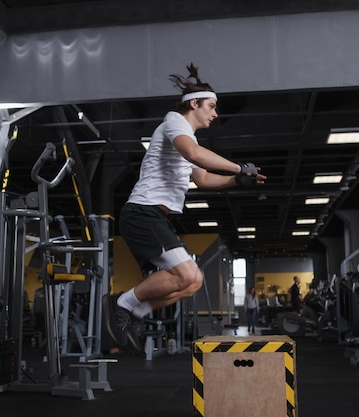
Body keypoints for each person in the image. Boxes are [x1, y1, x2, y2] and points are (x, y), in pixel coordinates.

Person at [103, 63, 266, 351]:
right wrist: (240, 167)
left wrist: (235, 181)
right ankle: (121, 304)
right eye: (211, 106)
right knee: (188, 274)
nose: (215, 113)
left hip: (156, 216)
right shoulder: (174, 122)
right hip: (143, 211)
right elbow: (195, 154)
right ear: (194, 104)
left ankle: (136, 312)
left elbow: (202, 178)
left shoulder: (184, 137)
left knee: (193, 282)